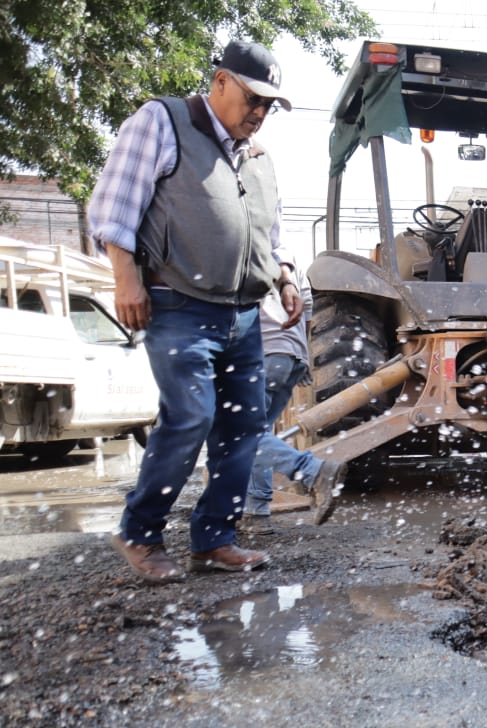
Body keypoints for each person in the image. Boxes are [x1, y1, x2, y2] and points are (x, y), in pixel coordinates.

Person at [89, 40, 301, 583]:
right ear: (222, 82)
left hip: (245, 313)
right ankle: (139, 533)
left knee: (242, 426)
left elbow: (269, 233)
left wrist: (284, 276)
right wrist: (125, 278)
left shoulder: (258, 158)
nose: (259, 113)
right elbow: (114, 206)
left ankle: (213, 540)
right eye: (253, 99)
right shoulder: (162, 123)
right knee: (191, 416)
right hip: (179, 304)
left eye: (269, 106)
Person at [243, 262, 345, 530]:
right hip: (290, 358)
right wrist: (303, 358)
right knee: (258, 434)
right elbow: (306, 314)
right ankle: (256, 512)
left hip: (261, 354)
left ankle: (313, 471)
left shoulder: (254, 252)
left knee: (241, 434)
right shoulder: (295, 268)